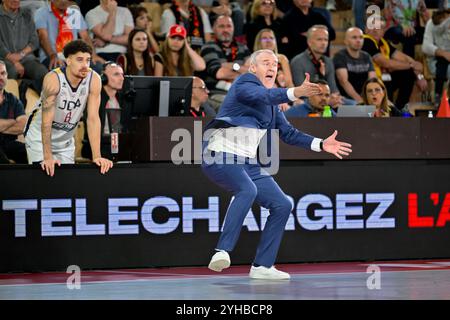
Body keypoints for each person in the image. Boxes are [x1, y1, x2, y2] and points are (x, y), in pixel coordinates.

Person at [202, 49, 352, 279]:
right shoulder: (244, 82)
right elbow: (264, 96)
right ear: (253, 68)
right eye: (265, 63)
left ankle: (262, 266)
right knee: (247, 189)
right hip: (219, 154)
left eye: (275, 64)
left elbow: (288, 133)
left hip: (247, 162)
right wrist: (294, 92)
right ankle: (221, 251)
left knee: (282, 204)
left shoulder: (273, 104)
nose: (272, 67)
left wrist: (321, 144)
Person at [24, 40, 113, 176]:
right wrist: (48, 157)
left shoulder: (94, 79)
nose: (85, 65)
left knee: (66, 184)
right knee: (42, 179)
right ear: (68, 61)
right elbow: (46, 122)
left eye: (88, 60)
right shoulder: (53, 79)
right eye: (79, 60)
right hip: (39, 136)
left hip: (65, 139)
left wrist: (97, 156)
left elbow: (93, 119)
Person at [362, 15, 428, 109]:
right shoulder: (365, 41)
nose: (375, 30)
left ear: (383, 31)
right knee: (398, 73)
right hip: (369, 81)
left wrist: (419, 76)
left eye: (379, 28)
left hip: (383, 78)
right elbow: (386, 63)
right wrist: (412, 65)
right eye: (372, 26)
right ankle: (390, 110)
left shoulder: (383, 43)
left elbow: (405, 58)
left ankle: (400, 108)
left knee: (408, 73)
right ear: (366, 28)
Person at [34, 0, 105, 71]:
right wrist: (53, 55)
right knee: (61, 69)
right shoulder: (42, 12)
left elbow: (85, 36)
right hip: (51, 55)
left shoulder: (74, 13)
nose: (63, 1)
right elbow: (43, 38)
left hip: (75, 55)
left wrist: (93, 55)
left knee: (98, 67)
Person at [200, 15, 251, 110]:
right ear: (214, 29)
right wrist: (242, 70)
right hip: (217, 93)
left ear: (233, 28)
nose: (225, 30)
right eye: (221, 26)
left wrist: (233, 66)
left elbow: (253, 72)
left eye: (229, 26)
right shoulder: (208, 47)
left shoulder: (243, 48)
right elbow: (219, 73)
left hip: (241, 93)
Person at [82, 61, 128, 160]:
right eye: (116, 74)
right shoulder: (95, 97)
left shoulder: (125, 98)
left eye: (122, 74)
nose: (122, 78)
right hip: (98, 146)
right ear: (103, 78)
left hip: (119, 146)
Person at [0, 0, 48, 93]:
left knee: (42, 72)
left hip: (26, 58)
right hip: (3, 59)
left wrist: (20, 55)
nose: (16, 0)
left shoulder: (27, 14)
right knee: (10, 72)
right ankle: (7, 105)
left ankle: (41, 104)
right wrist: (14, 60)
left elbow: (34, 41)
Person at [290, 25, 344, 108]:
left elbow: (333, 89)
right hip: (306, 102)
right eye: (319, 39)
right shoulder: (298, 61)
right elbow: (301, 94)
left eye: (326, 40)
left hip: (327, 99)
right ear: (309, 42)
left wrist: (335, 98)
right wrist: (328, 101)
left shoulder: (328, 61)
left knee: (353, 104)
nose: (323, 43)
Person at [333, 27, 377, 103]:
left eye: (361, 37)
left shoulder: (366, 56)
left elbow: (372, 80)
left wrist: (372, 97)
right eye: (354, 37)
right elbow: (344, 82)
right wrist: (360, 101)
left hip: (364, 96)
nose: (358, 40)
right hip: (345, 98)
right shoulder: (340, 56)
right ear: (346, 41)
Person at [0, 60, 27, 164]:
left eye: (3, 73)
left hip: (9, 143)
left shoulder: (13, 100)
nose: (1, 77)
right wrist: (12, 121)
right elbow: (17, 123)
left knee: (29, 151)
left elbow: (23, 125)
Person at [422, 9, 450, 106]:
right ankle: (439, 98)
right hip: (437, 60)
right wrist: (443, 53)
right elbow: (425, 46)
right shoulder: (431, 23)